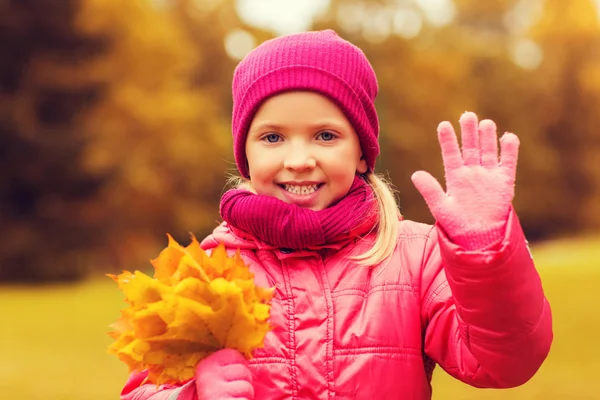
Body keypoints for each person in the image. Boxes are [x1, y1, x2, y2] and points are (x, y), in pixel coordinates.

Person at [120, 29, 553, 400]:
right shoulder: (205, 273)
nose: (299, 159)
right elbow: (143, 387)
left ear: (362, 152)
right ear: (245, 154)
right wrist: (192, 392)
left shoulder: (414, 257)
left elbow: (506, 363)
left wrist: (485, 255)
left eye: (325, 135)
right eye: (272, 137)